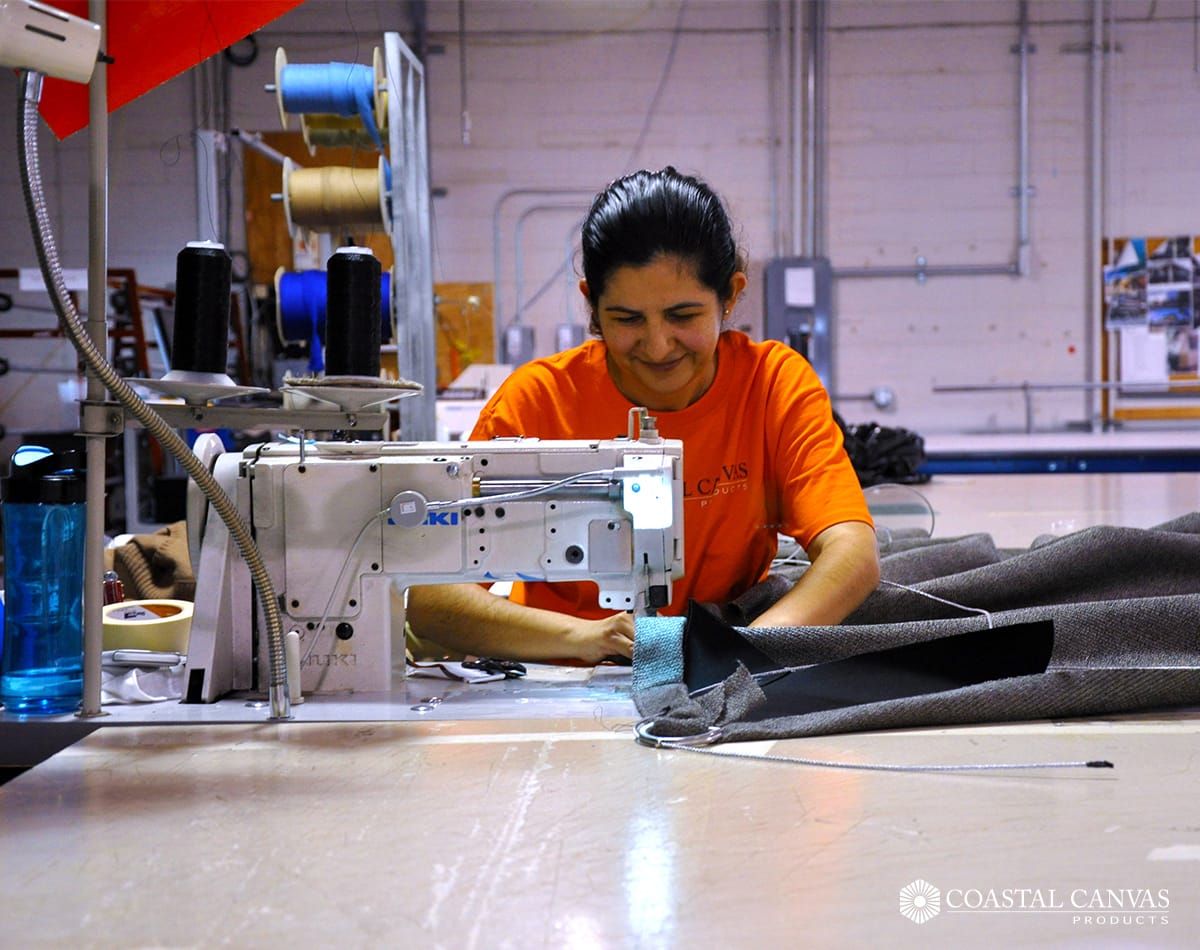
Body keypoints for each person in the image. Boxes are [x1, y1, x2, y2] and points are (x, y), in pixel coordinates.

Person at [406, 167, 880, 662]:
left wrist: (744, 655)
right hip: (559, 672)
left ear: (731, 295)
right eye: (627, 319)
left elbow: (852, 553)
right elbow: (433, 599)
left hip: (720, 653)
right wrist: (586, 638)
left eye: (683, 316)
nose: (657, 347)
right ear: (591, 303)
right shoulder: (537, 403)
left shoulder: (772, 386)